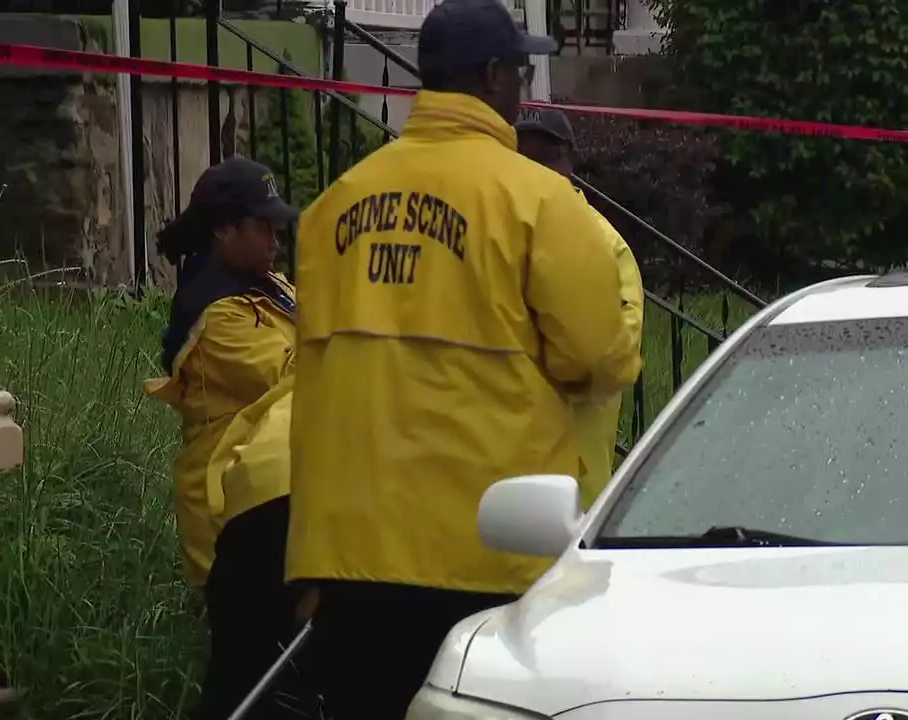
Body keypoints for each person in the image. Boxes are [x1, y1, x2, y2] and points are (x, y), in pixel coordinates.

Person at [286, 0, 643, 715]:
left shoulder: (331, 207)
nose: (526, 86)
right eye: (520, 69)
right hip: (486, 556)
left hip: (349, 556)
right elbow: (601, 361)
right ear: (491, 77)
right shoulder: (542, 204)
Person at [144, 156, 312, 720]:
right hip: (229, 511)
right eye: (261, 225)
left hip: (271, 501)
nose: (275, 237)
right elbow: (300, 373)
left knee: (270, 673)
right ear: (224, 231)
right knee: (251, 679)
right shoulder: (218, 316)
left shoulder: (267, 286)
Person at [516, 108, 645, 502]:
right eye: (523, 157)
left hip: (576, 490)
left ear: (569, 161)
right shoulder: (493, 234)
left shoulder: (606, 245)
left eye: (546, 157)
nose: (535, 169)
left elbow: (612, 357)